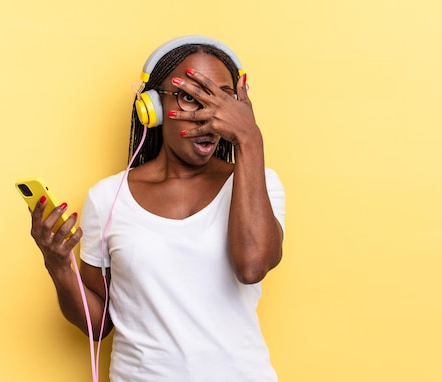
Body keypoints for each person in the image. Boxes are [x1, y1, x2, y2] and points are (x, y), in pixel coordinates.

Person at [29, 35, 285, 382]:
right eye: (190, 98)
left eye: (223, 100)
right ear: (153, 107)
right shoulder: (107, 197)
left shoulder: (259, 184)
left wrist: (250, 139)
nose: (208, 116)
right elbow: (97, 325)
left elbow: (252, 266)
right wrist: (59, 266)